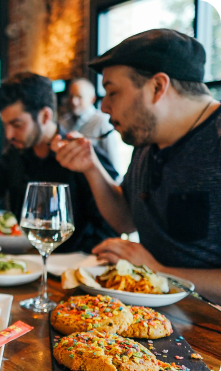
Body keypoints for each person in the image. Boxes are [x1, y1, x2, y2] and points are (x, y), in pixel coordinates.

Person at [52, 29, 221, 302]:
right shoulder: (147, 140)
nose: (104, 107)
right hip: (156, 312)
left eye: (112, 92)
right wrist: (91, 167)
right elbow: (125, 218)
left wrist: (158, 271)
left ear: (157, 87)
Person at [0, 72, 119, 253]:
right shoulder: (13, 156)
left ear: (45, 116)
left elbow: (111, 225)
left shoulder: (82, 156)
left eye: (17, 125)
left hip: (72, 268)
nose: (9, 135)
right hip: (24, 262)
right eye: (5, 125)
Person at [59, 78, 123, 171]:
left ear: (92, 99)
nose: (74, 101)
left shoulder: (101, 121)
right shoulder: (64, 122)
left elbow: (112, 160)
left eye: (79, 97)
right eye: (71, 96)